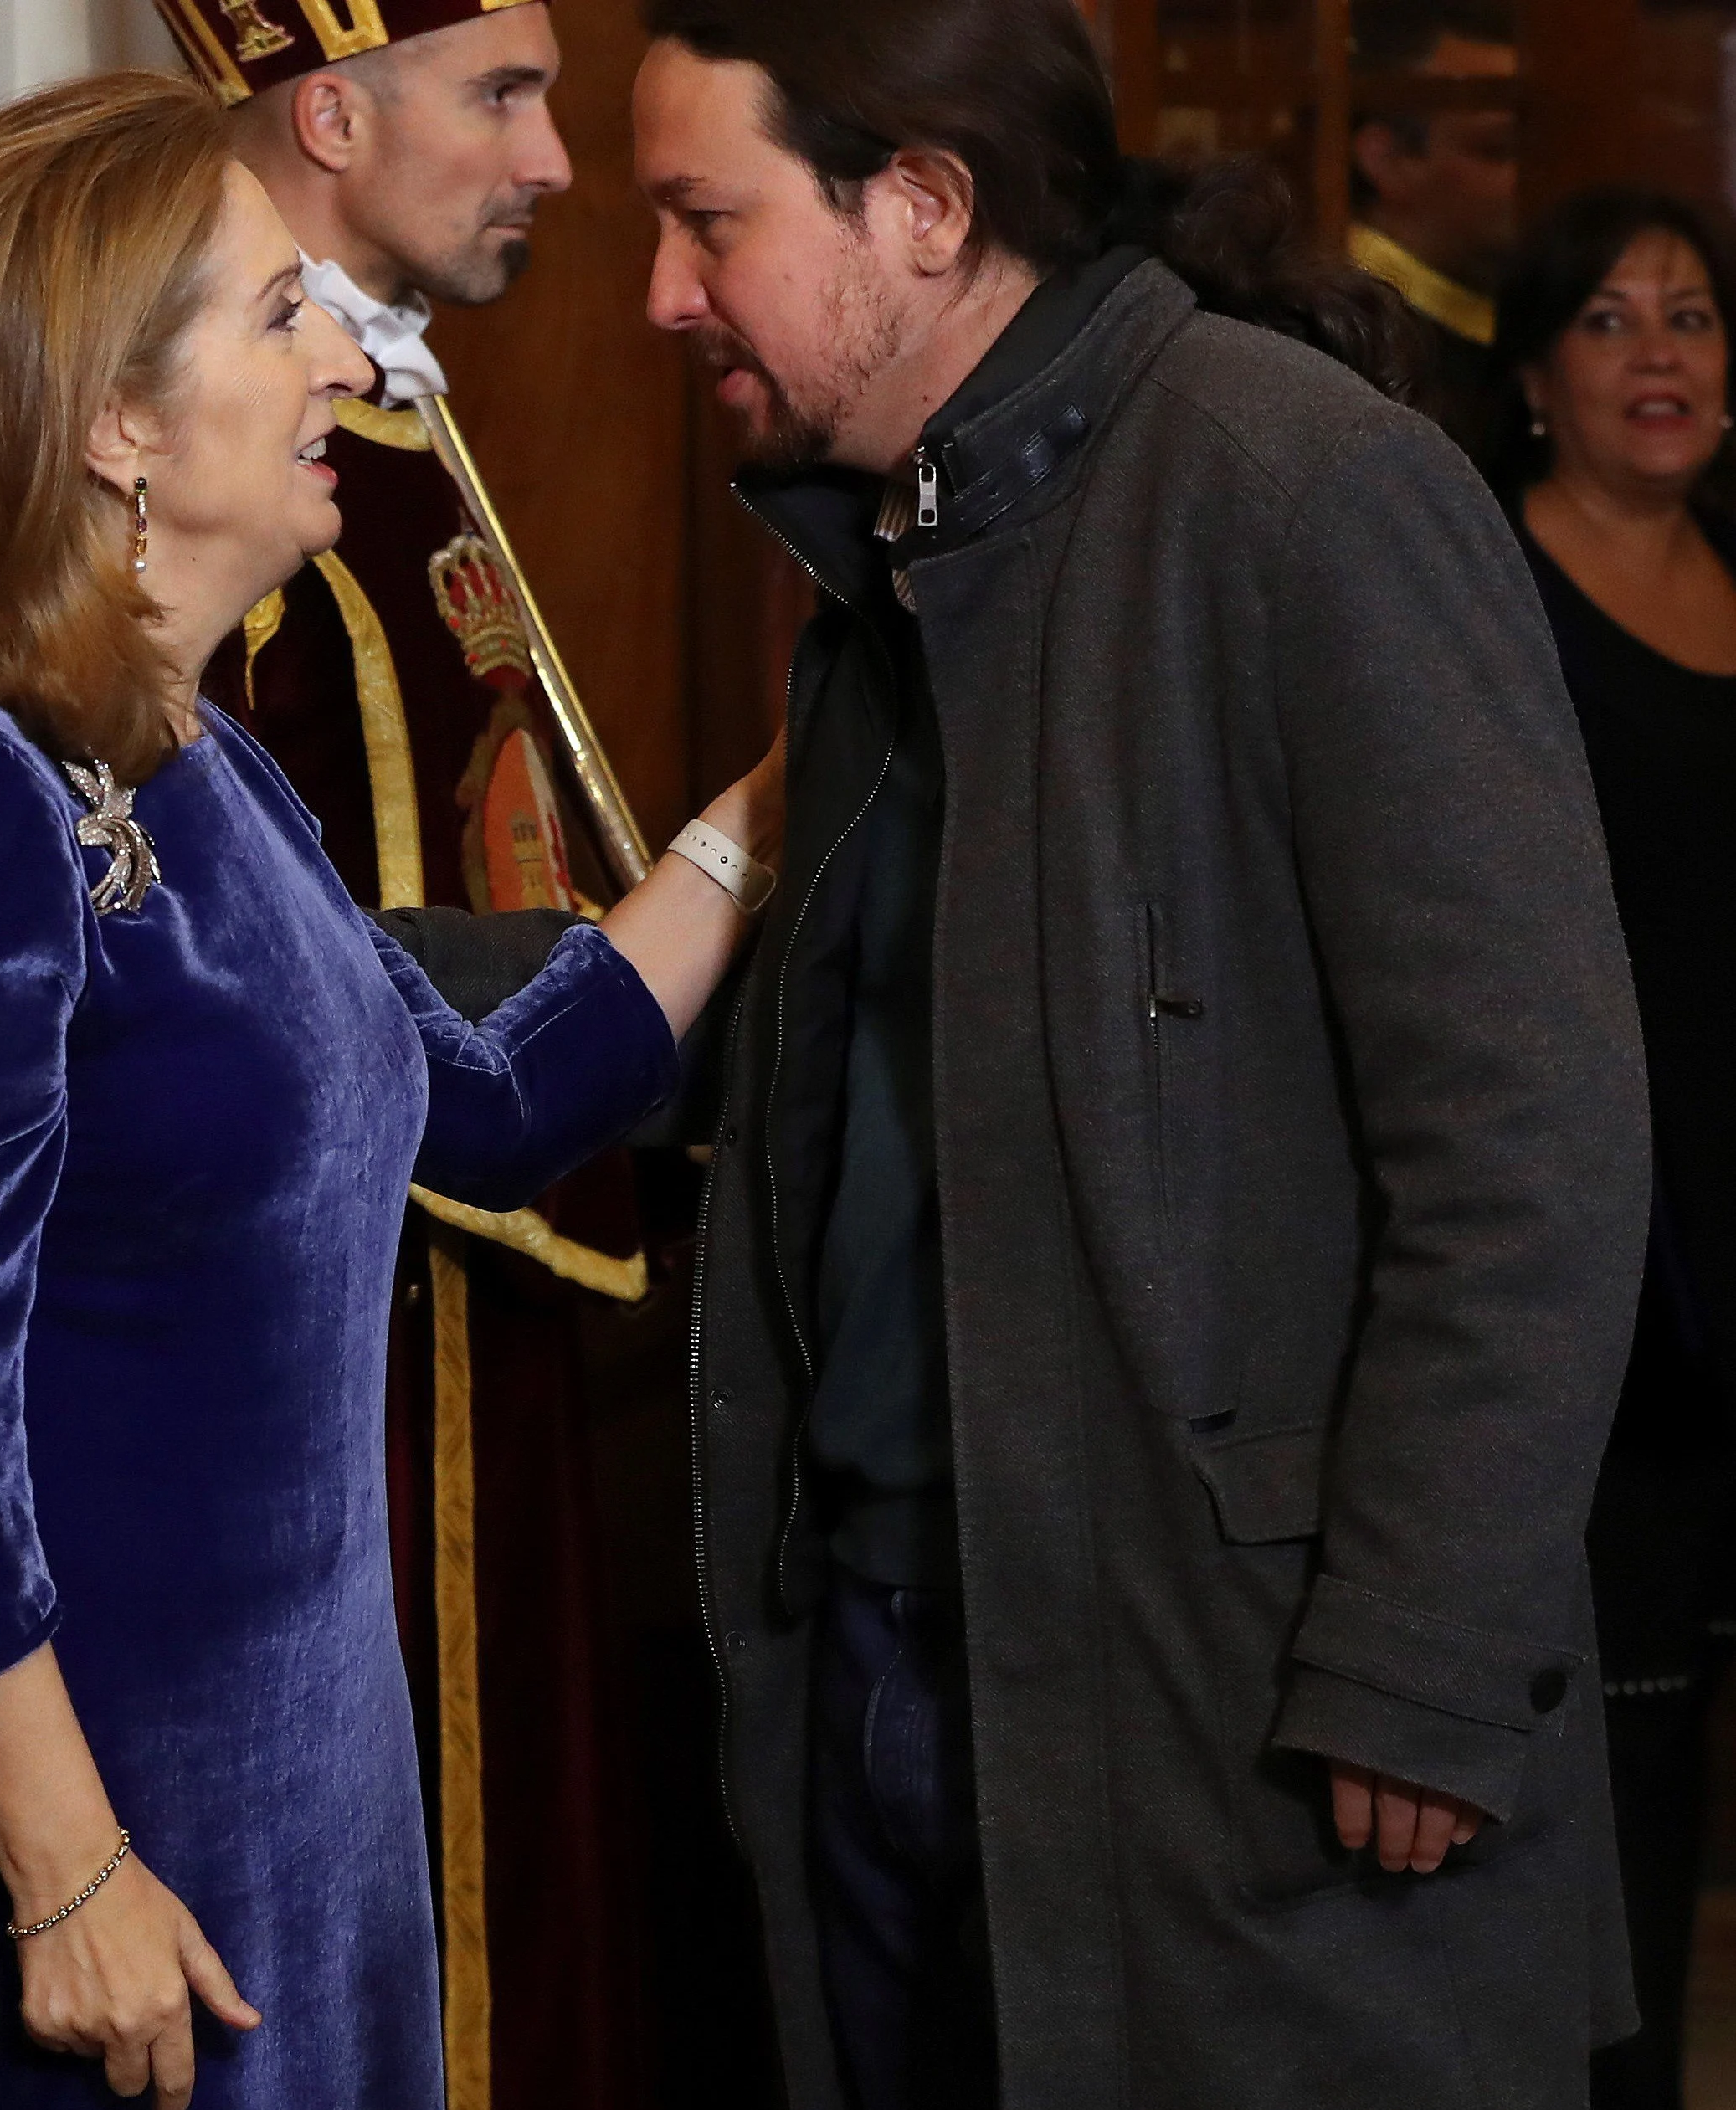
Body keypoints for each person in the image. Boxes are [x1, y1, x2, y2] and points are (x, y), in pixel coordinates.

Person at [632, 2, 1651, 2104]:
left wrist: (1424, 1663)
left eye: (702, 220)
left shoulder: (1303, 489)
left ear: (918, 207)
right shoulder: (884, 551)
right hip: (902, 1683)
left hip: (1249, 1727)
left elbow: (1527, 1143)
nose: (663, 295)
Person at [0, 69, 785, 2110]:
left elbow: (481, 1103)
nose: (347, 355)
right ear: (114, 422)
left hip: (294, 1809)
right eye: (280, 314)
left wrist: (769, 806)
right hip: (102, 1853)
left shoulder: (189, 761)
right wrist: (64, 1876)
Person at [148, 6, 665, 2092]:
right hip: (351, 1338)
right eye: (503, 99)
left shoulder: (383, 416)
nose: (552, 158)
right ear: (332, 111)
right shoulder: (232, 483)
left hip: (490, 1269)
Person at [1488, 187, 1736, 2110]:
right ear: (1532, 372)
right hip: (1615, 1296)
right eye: (1608, 321)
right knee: (1623, 1824)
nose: (1659, 354)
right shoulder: (1489, 601)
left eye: (1691, 318)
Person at [1349, 0, 1522, 453]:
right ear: (1388, 161)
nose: (1531, 177)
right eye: (1499, 150)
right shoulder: (1352, 340)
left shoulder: (1523, 313)